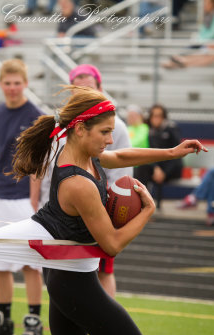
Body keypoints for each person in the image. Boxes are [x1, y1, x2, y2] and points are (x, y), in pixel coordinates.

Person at [0, 86, 206, 335]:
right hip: (73, 281)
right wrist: (147, 210)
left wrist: (169, 153)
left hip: (64, 273)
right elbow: (111, 244)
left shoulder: (78, 150)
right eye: (105, 132)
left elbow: (120, 157)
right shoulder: (78, 183)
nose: (110, 139)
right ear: (81, 129)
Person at [0, 59, 44, 335]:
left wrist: (33, 201)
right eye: (8, 83)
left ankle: (33, 322)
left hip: (22, 199)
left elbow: (38, 164)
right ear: (1, 84)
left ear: (25, 84)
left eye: (17, 83)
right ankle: (3, 321)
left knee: (30, 263)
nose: (13, 88)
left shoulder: (36, 116)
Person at [69, 64, 133, 298]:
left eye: (89, 89)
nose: (85, 95)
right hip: (67, 209)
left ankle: (105, 331)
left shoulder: (117, 127)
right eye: (79, 90)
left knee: (103, 270)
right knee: (66, 270)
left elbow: (123, 172)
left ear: (100, 88)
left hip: (100, 208)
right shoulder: (65, 125)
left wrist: (114, 210)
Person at [134, 104, 183, 208]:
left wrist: (164, 172)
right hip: (156, 169)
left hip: (170, 169)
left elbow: (177, 156)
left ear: (164, 117)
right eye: (154, 116)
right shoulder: (148, 131)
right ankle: (140, 206)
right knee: (141, 168)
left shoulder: (172, 129)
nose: (156, 119)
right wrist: (156, 168)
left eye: (159, 116)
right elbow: (149, 153)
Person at [163, 0, 214, 69]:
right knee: (188, 49)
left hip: (207, 43)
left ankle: (181, 62)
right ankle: (177, 61)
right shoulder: (207, 16)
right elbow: (203, 32)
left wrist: (201, 40)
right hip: (202, 42)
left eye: (206, 3)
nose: (204, 6)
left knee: (205, 52)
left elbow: (211, 33)